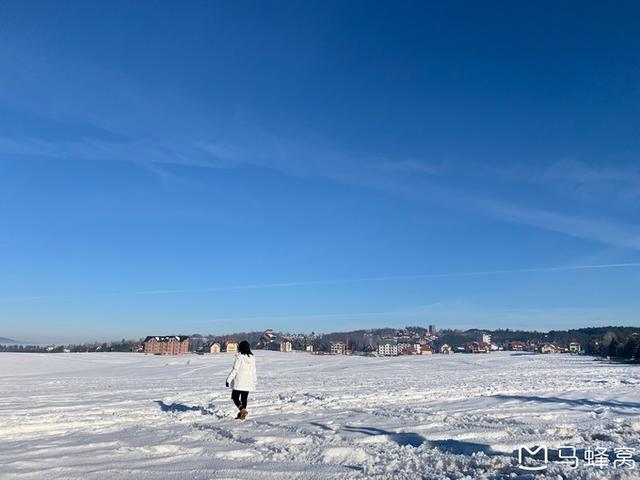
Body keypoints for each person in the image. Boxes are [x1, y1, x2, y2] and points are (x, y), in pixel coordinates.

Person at [225, 340, 257, 420]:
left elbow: (235, 369)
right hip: (248, 381)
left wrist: (228, 380)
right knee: (244, 399)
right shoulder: (252, 357)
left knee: (235, 397)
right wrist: (254, 381)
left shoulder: (240, 356)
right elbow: (254, 371)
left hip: (239, 381)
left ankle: (242, 410)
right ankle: (242, 415)